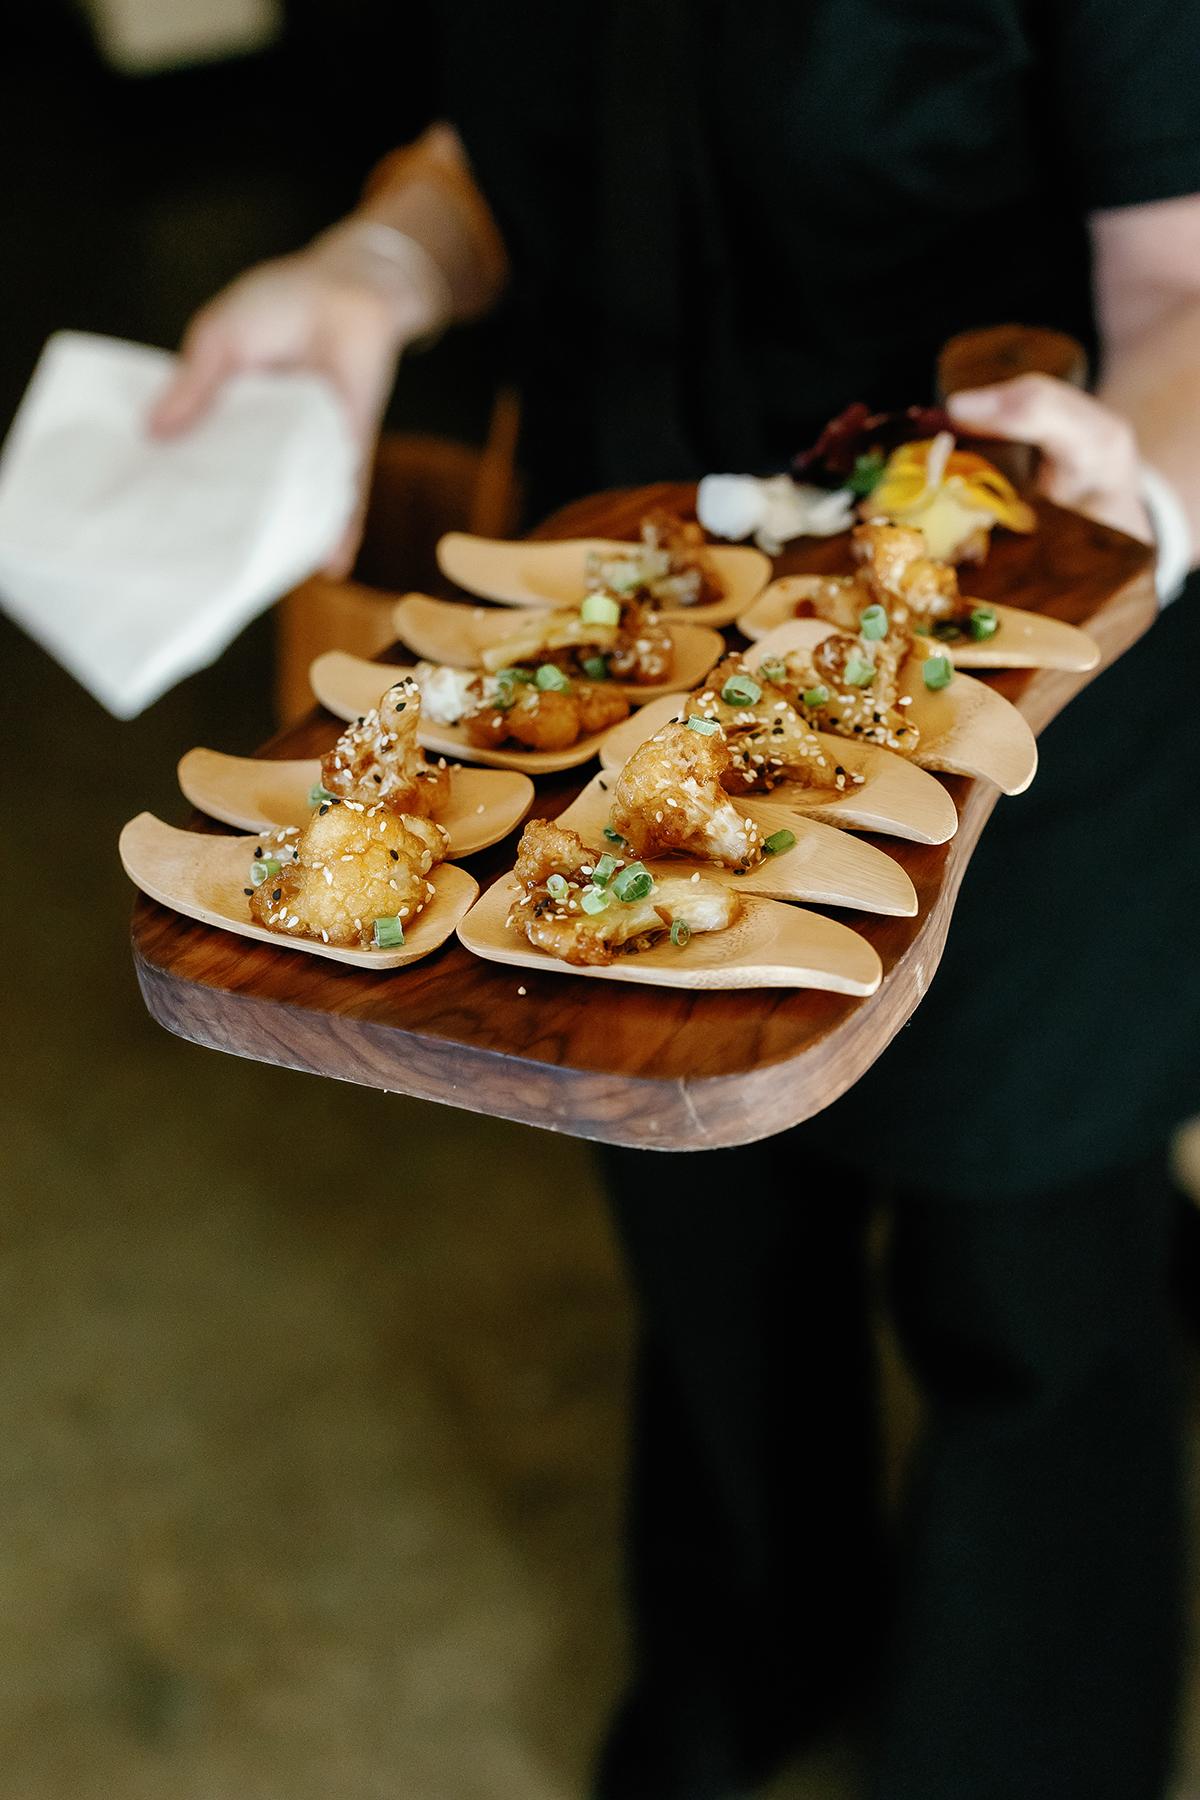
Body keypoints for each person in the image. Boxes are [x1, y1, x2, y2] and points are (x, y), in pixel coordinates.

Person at [153, 8, 1200, 1797]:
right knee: (706, 1246)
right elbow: (514, 133)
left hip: (1004, 661)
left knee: (1026, 1274)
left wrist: (1138, 491)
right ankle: (748, 1644)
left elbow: (1183, 279)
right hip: (615, 647)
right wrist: (373, 268)